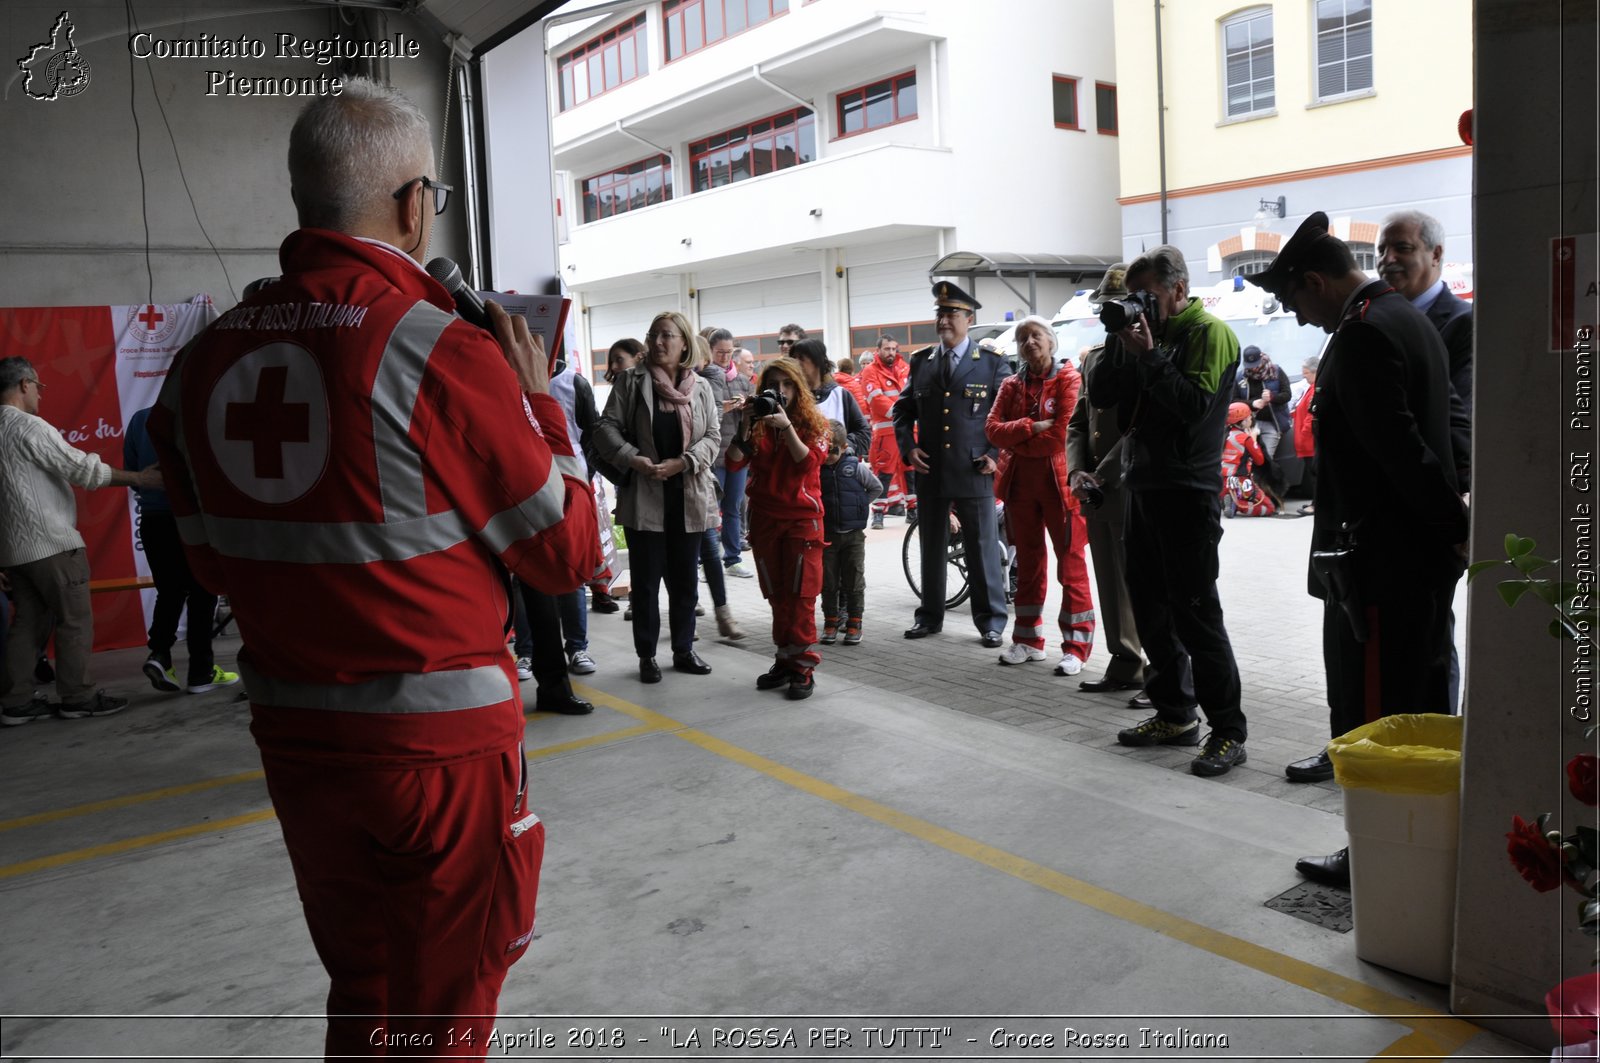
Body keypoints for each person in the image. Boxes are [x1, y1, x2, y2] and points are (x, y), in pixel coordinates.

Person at [144, 79, 601, 1057]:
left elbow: (214, 564)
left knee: (364, 992)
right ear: (411, 203)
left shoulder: (202, 363)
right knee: (443, 1012)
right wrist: (540, 405)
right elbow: (566, 557)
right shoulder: (438, 347)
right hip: (438, 751)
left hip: (297, 741)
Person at [1245, 212, 1468, 887]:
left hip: (1380, 571)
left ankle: (1377, 854)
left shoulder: (1364, 334)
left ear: (1317, 281)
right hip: (1408, 563)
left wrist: (1449, 524)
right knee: (1418, 708)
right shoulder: (1401, 314)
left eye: (1297, 302)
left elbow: (1402, 454)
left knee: (1377, 718)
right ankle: (1418, 846)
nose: (1303, 319)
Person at [1084, 245, 1249, 778]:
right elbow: (1103, 395)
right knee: (1152, 610)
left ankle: (1227, 731)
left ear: (1178, 289)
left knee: (1197, 615)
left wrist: (1151, 354)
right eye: (1134, 298)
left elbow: (1194, 407)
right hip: (1145, 488)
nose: (1141, 305)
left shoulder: (1210, 334)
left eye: (1147, 296)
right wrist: (1119, 335)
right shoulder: (1139, 333)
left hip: (1188, 491)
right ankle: (1175, 714)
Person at [0, 357, 161, 725]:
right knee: (74, 621)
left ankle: (16, 702)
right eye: (38, 386)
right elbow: (81, 469)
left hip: (14, 550)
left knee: (26, 622)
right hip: (52, 544)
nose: (41, 394)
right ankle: (77, 697)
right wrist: (139, 478)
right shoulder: (29, 427)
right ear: (25, 384)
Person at [1379, 207, 1474, 711]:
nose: (1388, 260)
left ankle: (1435, 755)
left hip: (1429, 511)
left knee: (1430, 642)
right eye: (1381, 251)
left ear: (1437, 256)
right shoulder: (1372, 318)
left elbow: (1458, 425)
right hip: (1378, 515)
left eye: (1404, 249)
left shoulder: (1461, 324)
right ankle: (1368, 745)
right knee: (1380, 643)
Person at [591, 310, 720, 684]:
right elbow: (605, 427)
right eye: (653, 335)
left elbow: (713, 436)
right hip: (645, 493)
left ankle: (683, 649)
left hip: (688, 492)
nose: (658, 342)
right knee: (646, 585)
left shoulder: (701, 387)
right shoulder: (632, 381)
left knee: (685, 582)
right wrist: (634, 459)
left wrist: (684, 463)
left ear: (684, 343)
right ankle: (646, 655)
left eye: (667, 335)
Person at [892, 281, 1013, 646]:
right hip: (931, 470)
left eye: (951, 314)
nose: (944, 320)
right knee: (932, 546)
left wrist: (994, 456)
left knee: (982, 547)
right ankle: (929, 616)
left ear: (968, 318)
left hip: (974, 468)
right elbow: (901, 411)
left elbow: (1006, 415)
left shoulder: (991, 363)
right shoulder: (922, 361)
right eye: (940, 313)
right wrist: (908, 448)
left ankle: (991, 621)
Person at [985, 316, 1094, 674]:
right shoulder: (1011, 384)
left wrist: (1018, 441)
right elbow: (992, 430)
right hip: (1019, 488)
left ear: (1051, 341)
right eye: (1022, 338)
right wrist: (1030, 427)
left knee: (1071, 565)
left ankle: (1076, 647)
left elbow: (1061, 434)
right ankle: (1027, 641)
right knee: (1028, 566)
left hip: (1060, 489)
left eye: (1036, 336)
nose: (1029, 342)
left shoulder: (1069, 379)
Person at [725, 357, 830, 699]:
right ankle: (786, 660)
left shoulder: (815, 425)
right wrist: (745, 423)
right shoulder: (758, 422)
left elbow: (808, 463)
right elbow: (734, 462)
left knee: (800, 596)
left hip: (802, 520)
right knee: (777, 594)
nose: (780, 391)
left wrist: (786, 427)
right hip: (766, 519)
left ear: (798, 388)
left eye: (787, 384)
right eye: (774, 384)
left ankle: (803, 666)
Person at [1068, 266, 1148, 697]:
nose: (1106, 316)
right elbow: (1079, 421)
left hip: (1128, 485)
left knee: (1141, 584)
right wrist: (1076, 470)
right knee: (1109, 581)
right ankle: (1124, 662)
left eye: (1113, 308)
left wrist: (1104, 472)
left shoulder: (1147, 354)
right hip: (1096, 489)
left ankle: (1155, 669)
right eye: (1102, 308)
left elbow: (1141, 426)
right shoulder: (1097, 358)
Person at [124, 405, 239, 695]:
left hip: (153, 520)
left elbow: (134, 471)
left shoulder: (140, 419)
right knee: (203, 591)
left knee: (170, 590)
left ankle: (160, 655)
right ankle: (201, 672)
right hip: (193, 518)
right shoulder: (198, 414)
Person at [689, 333, 744, 638]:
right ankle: (693, 614)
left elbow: (711, 427)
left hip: (698, 473)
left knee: (708, 545)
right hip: (691, 474)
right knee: (695, 552)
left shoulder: (704, 381)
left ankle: (722, 614)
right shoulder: (668, 383)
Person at [817, 419, 882, 646]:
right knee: (828, 581)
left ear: (844, 447)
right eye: (824, 449)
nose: (828, 455)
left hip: (853, 536)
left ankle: (855, 622)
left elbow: (876, 487)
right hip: (828, 536)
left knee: (854, 580)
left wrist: (860, 505)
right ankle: (831, 621)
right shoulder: (818, 470)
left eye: (833, 450)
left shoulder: (855, 468)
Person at [594, 338, 644, 619]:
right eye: (611, 361)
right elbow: (603, 431)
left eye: (619, 360)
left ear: (639, 357)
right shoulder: (620, 391)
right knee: (638, 545)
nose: (614, 367)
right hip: (629, 476)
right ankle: (639, 599)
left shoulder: (654, 387)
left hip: (653, 476)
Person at [701, 327, 756, 581]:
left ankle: (733, 558)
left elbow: (754, 416)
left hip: (737, 453)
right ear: (709, 351)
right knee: (710, 511)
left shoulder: (742, 380)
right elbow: (700, 413)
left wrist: (747, 407)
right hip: (711, 455)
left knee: (734, 507)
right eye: (719, 352)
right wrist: (724, 406)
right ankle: (705, 559)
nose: (724, 357)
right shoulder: (700, 376)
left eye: (728, 352)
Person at [860, 334, 910, 529]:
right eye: (887, 349)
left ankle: (912, 509)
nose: (891, 352)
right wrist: (901, 414)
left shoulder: (905, 367)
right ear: (878, 350)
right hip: (887, 431)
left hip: (908, 428)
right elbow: (875, 398)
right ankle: (878, 512)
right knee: (884, 472)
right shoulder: (870, 371)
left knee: (910, 471)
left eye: (893, 349)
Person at [790, 338, 871, 458]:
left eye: (801, 358)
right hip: (801, 473)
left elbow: (864, 434)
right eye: (793, 359)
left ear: (817, 362)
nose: (795, 364)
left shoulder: (840, 395)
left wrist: (842, 446)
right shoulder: (790, 397)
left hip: (834, 474)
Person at [1233, 345, 1292, 493]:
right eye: (1249, 366)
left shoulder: (1276, 371)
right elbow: (1233, 400)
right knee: (1246, 458)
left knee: (1265, 459)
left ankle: (1264, 495)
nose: (1252, 369)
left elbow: (1287, 395)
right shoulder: (1240, 377)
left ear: (1262, 359)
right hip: (1249, 424)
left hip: (1273, 424)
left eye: (1255, 365)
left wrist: (1272, 397)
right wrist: (1252, 403)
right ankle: (1247, 494)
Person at [1219, 402, 1277, 517]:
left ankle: (1229, 500)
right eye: (1250, 416)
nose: (1251, 418)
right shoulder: (1246, 439)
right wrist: (1254, 441)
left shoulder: (1223, 435)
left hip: (1221, 482)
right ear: (1243, 421)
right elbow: (1260, 460)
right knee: (1269, 508)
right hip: (1240, 482)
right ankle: (1237, 504)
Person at [1290, 354, 1320, 516]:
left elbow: (1310, 416)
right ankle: (1316, 502)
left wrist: (1302, 435)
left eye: (1306, 372)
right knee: (1313, 473)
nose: (1303, 375)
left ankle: (1316, 504)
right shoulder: (1310, 388)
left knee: (1315, 474)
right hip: (1306, 439)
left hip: (1309, 441)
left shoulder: (1315, 389)